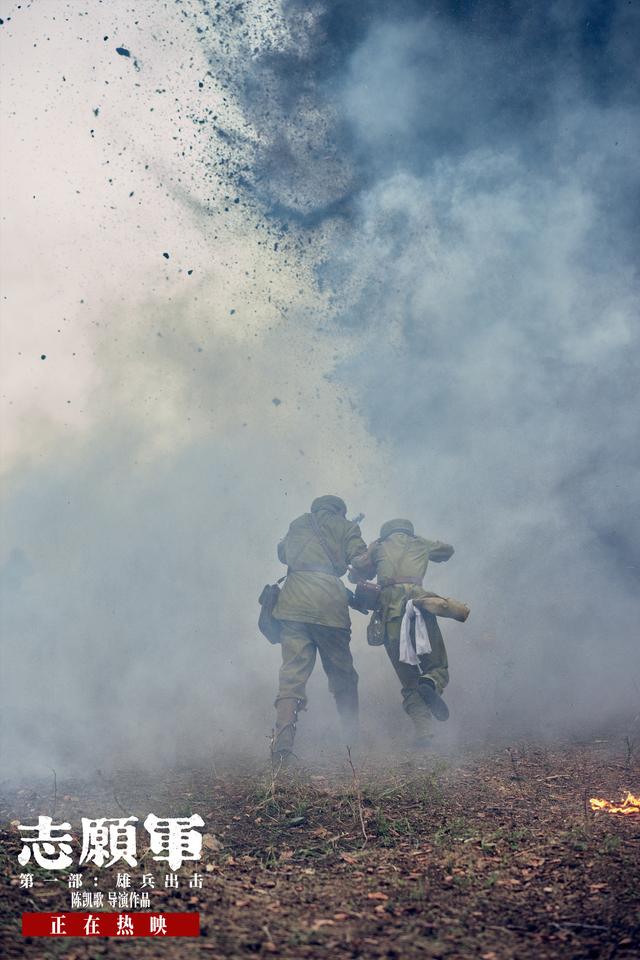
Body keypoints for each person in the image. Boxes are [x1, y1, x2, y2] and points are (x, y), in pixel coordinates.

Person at [271, 495, 367, 762]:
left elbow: (282, 552)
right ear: (340, 511)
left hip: (292, 605)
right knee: (342, 674)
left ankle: (282, 745)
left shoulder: (298, 523)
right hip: (329, 609)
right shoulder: (346, 527)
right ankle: (351, 739)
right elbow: (360, 560)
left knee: (292, 674)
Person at [349, 518, 454, 746]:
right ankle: (431, 683)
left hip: (389, 613)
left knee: (408, 679)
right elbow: (447, 551)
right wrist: (425, 544)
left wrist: (367, 551)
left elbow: (356, 569)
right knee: (436, 665)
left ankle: (424, 732)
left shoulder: (378, 545)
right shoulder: (419, 543)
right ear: (408, 530)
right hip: (419, 605)